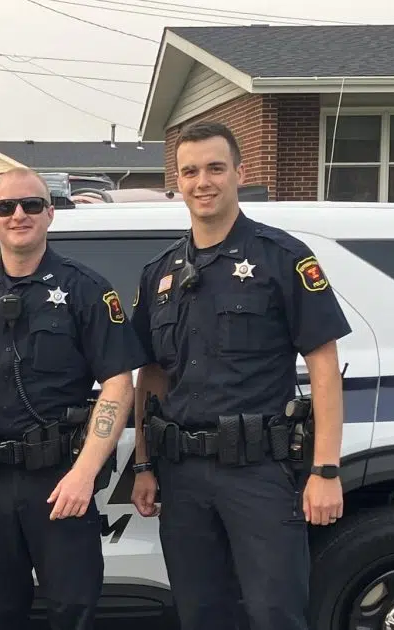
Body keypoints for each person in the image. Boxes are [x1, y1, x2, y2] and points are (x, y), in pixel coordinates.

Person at [128, 121, 350, 630]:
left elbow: (323, 367)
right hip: (181, 473)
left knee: (275, 613)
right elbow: (152, 376)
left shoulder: (282, 258)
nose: (202, 182)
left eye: (215, 168)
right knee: (200, 613)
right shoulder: (159, 272)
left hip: (259, 471)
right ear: (177, 182)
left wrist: (325, 471)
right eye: (190, 172)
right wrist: (143, 463)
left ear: (239, 173)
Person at [0, 167, 147, 630]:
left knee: (72, 609)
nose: (18, 214)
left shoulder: (85, 289)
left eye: (31, 205)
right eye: (5, 207)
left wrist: (84, 473)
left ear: (50, 213)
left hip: (59, 480)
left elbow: (119, 384)